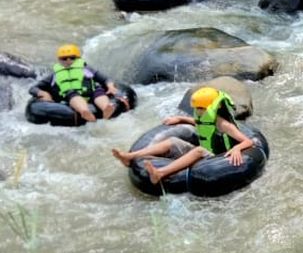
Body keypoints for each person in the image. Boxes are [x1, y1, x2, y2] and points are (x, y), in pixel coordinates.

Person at [111, 87, 255, 184]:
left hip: (217, 158)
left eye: (201, 108)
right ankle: (130, 157)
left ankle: (160, 173)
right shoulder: (205, 117)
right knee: (172, 141)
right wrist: (181, 119)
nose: (197, 111)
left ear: (213, 107)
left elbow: (247, 141)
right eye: (196, 108)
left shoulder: (224, 125)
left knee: (197, 150)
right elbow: (200, 124)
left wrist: (237, 149)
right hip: (205, 150)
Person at [30, 44, 118, 122]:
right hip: (73, 94)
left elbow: (105, 79)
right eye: (64, 58)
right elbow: (33, 88)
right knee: (73, 95)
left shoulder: (87, 69)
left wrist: (110, 86)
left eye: (72, 57)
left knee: (99, 93)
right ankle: (84, 111)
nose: (68, 60)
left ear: (78, 58)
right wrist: (43, 93)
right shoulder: (54, 75)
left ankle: (106, 108)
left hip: (91, 91)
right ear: (59, 60)